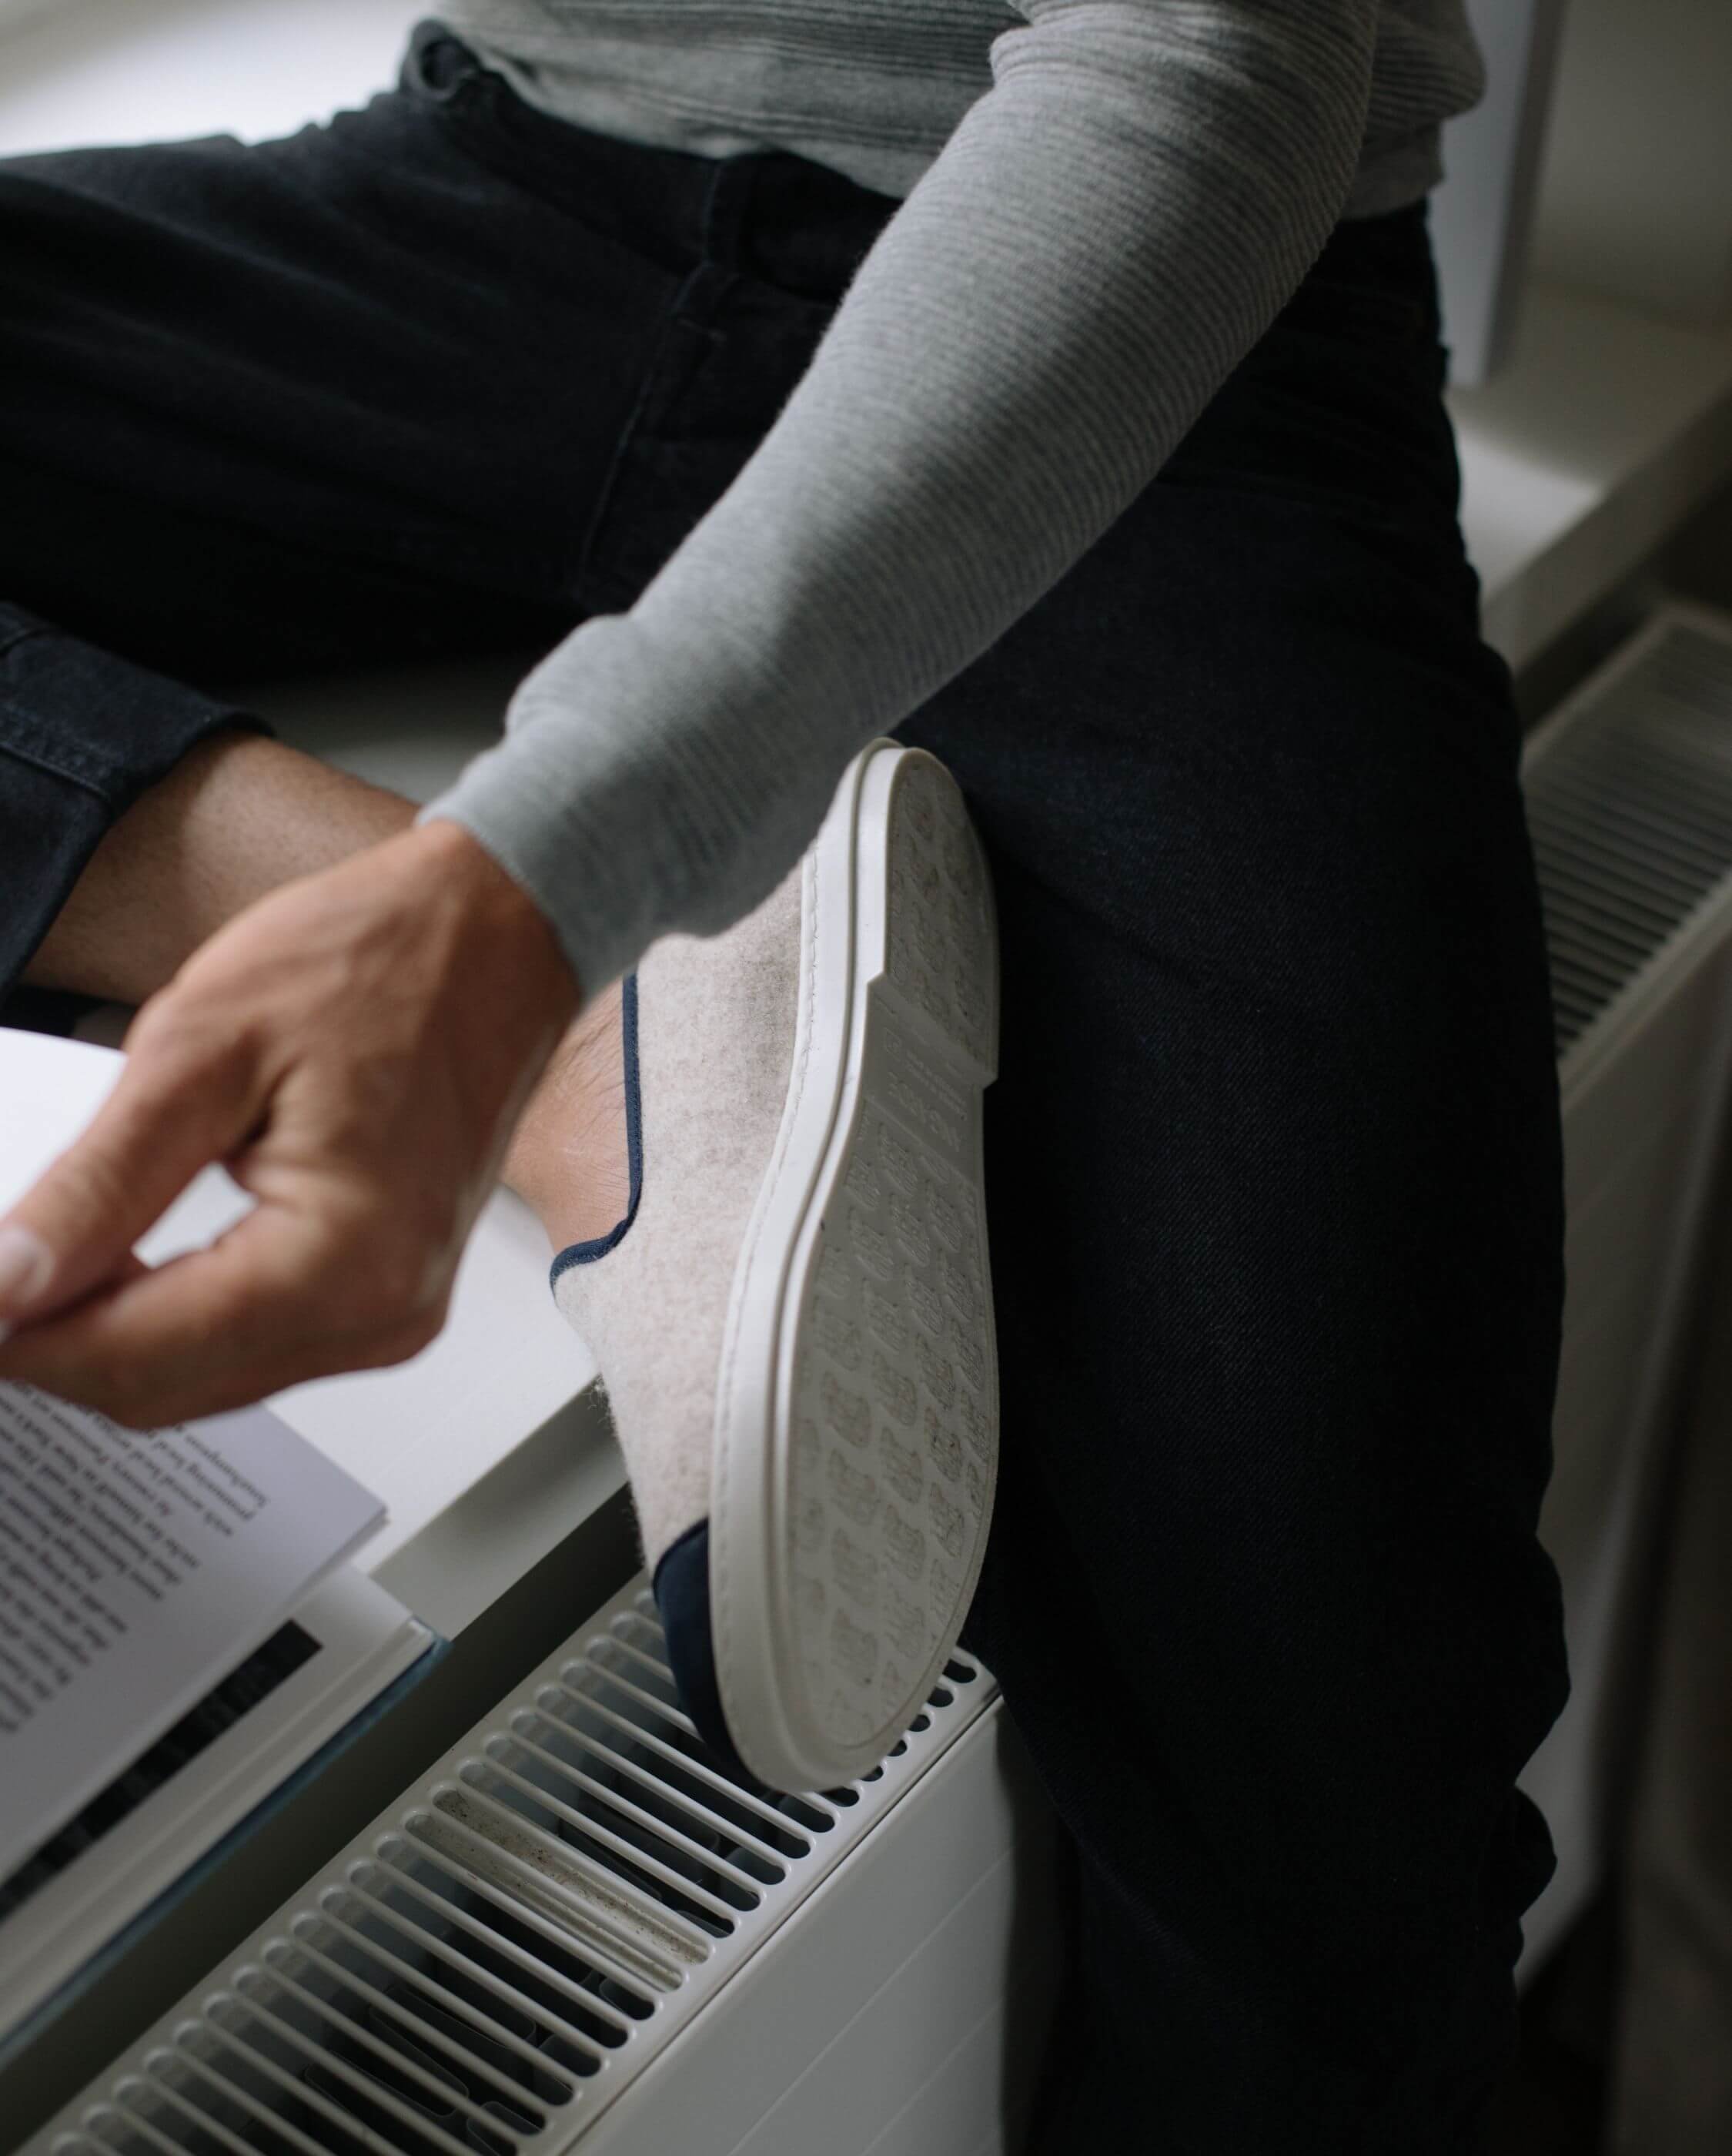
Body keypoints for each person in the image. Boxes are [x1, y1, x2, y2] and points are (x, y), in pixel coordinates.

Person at [0, 3, 1570, 2144]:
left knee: (1316, 1800)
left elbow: (1201, 61)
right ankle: (560, 1044)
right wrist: (497, 928)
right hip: (485, 200)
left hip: (1146, 319)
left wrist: (543, 869)